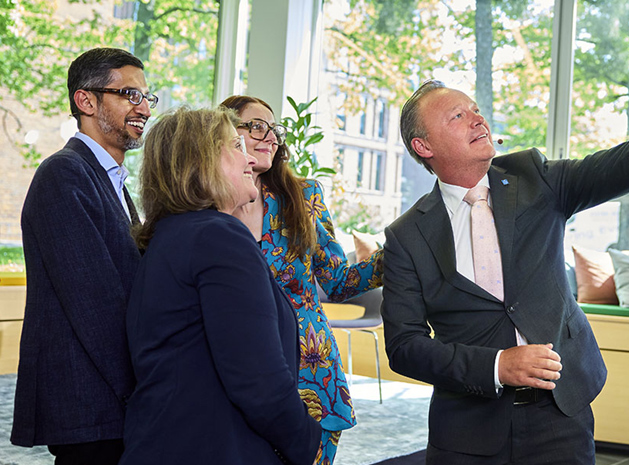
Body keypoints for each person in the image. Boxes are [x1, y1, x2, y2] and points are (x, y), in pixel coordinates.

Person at [381, 22, 629, 465]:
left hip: (560, 417)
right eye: (458, 116)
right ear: (423, 145)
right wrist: (497, 366)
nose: (478, 118)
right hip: (466, 431)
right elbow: (405, 346)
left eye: (476, 109)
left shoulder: (535, 178)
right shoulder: (406, 236)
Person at [119, 107, 322, 465]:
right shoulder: (219, 236)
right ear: (201, 161)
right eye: (236, 146)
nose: (250, 159)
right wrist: (307, 442)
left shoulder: (172, 235)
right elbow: (259, 383)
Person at [220, 95, 384, 464]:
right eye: (256, 126)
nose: (270, 137)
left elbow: (338, 282)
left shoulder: (303, 196)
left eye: (273, 129)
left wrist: (399, 254)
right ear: (224, 132)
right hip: (235, 375)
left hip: (311, 372)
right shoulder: (205, 201)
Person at [11, 47, 154, 464]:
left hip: (110, 403)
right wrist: (139, 392)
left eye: (147, 97)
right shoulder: (64, 173)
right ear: (86, 101)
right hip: (91, 402)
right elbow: (95, 303)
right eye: (129, 94)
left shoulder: (110, 179)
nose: (144, 108)